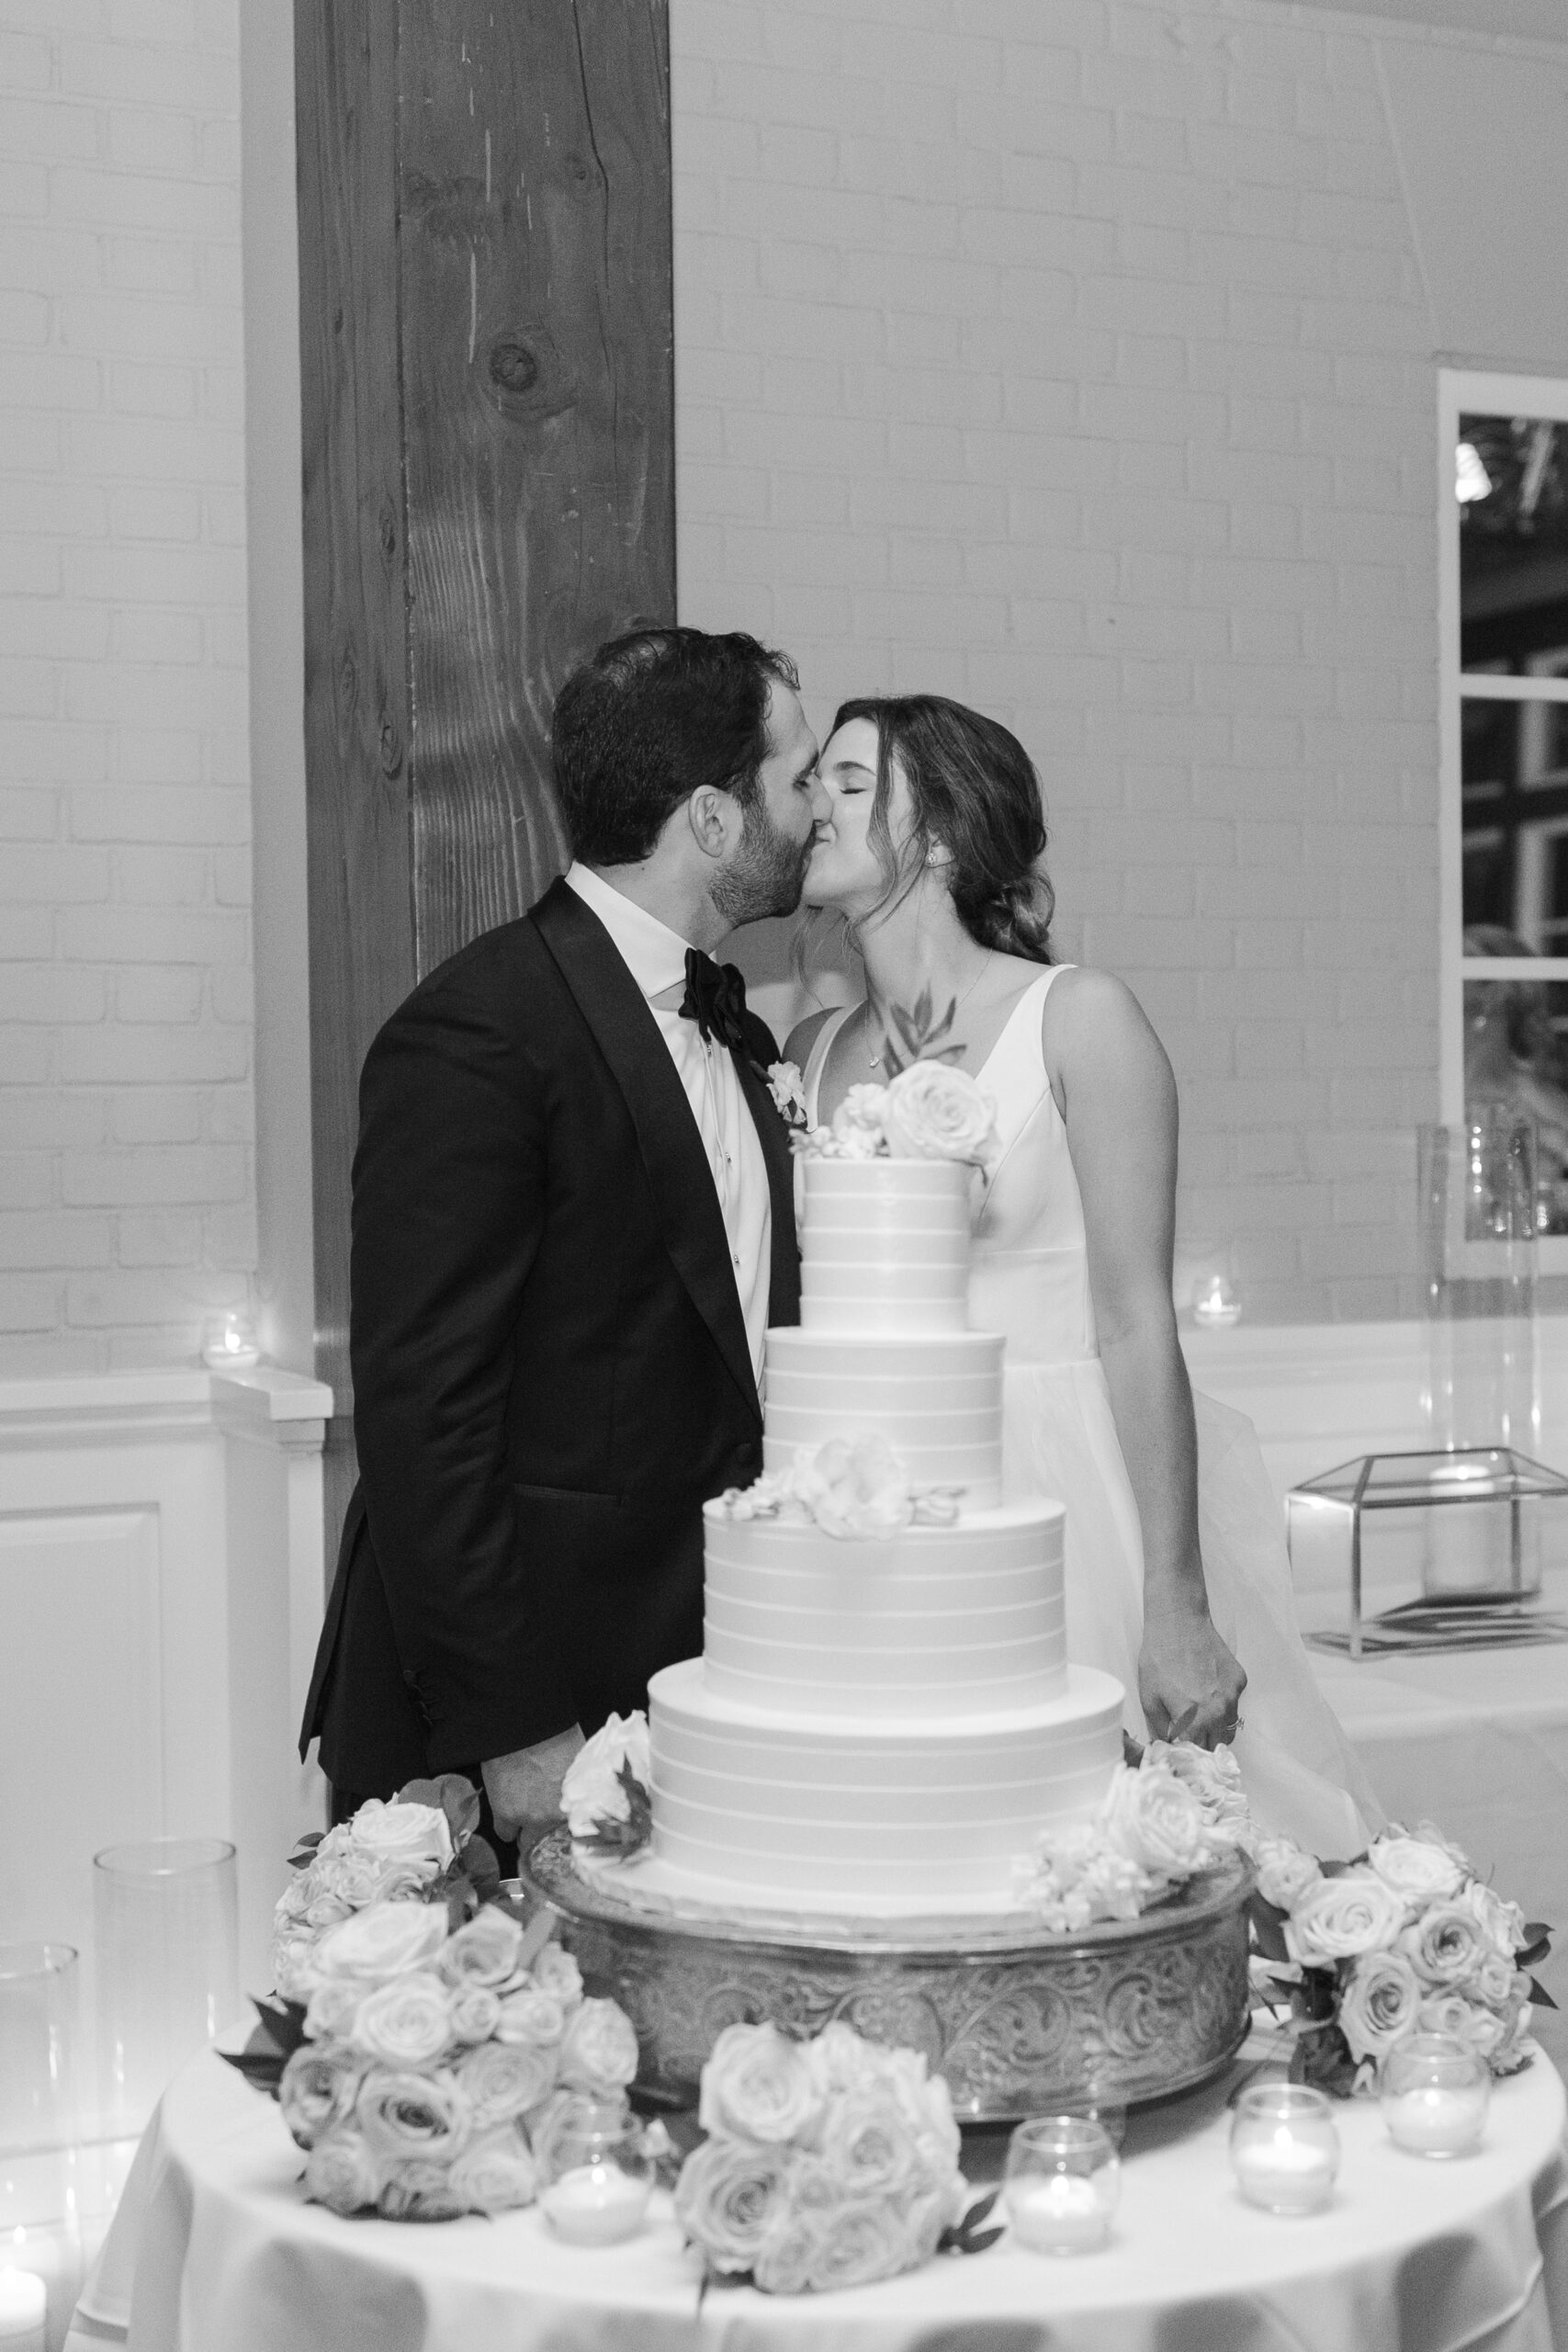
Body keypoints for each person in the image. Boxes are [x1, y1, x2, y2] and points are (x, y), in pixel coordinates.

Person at [788, 695, 1379, 1857]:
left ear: (945, 833)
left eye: (852, 782)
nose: (816, 804)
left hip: (1054, 1505)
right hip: (868, 1511)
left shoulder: (1080, 1019)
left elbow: (1131, 1323)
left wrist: (1175, 1601)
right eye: (814, 779)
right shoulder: (806, 1047)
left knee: (1099, 1859)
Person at [300, 628, 829, 1860]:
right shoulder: (478, 1035)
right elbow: (426, 1417)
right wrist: (519, 1733)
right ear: (710, 815)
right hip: (524, 1715)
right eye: (795, 778)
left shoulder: (729, 1031)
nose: (811, 810)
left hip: (701, 1674)